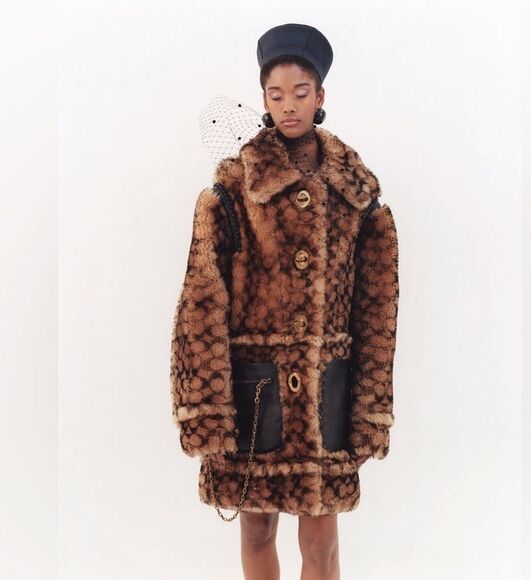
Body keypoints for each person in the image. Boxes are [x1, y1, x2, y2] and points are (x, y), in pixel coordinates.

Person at [170, 23, 399, 580]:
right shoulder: (232, 191)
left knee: (321, 543)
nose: (288, 105)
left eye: (300, 92)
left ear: (320, 95)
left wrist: (371, 407)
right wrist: (206, 410)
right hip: (255, 393)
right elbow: (200, 306)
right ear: (264, 98)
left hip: (328, 394)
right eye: (276, 94)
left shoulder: (356, 196)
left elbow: (378, 313)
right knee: (256, 529)